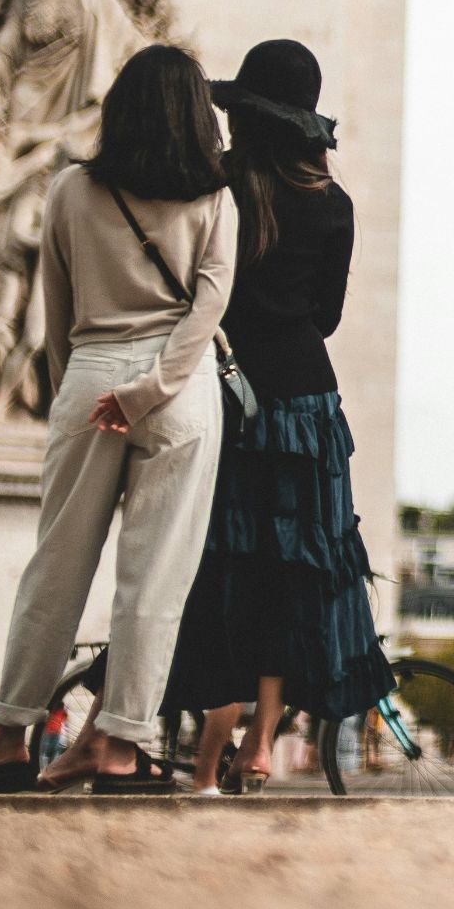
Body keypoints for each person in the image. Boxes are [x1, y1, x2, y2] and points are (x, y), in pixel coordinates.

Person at [145, 39, 395, 796]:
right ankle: (260, 740)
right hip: (306, 405)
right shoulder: (333, 203)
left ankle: (210, 747)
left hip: (227, 393)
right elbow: (327, 317)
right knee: (297, 572)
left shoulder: (218, 188)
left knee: (225, 566)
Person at [0, 45, 234, 795]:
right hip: (182, 391)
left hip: (91, 378)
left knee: (56, 569)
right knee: (155, 581)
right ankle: (122, 750)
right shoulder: (214, 196)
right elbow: (209, 306)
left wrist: (88, 393)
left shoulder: (70, 188)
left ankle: (7, 741)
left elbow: (56, 309)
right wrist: (154, 387)